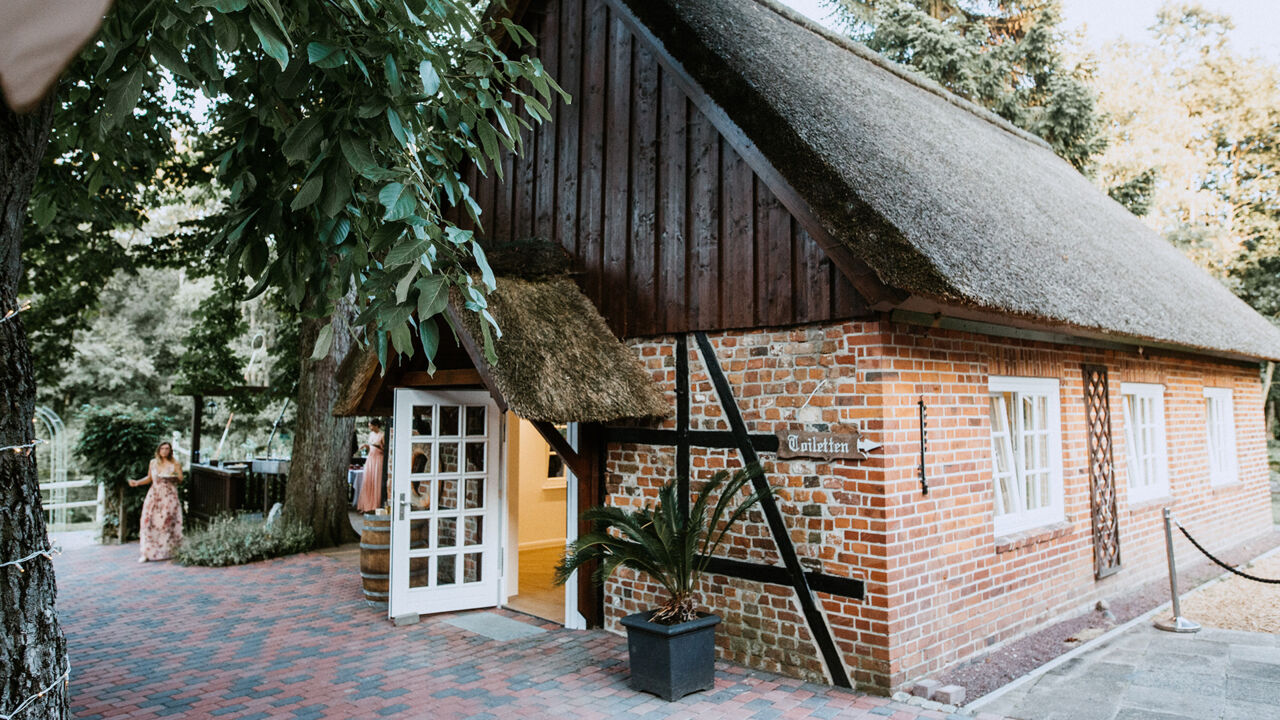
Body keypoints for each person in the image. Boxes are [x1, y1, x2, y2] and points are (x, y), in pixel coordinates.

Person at [128, 441, 183, 562]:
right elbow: (149, 478)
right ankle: (147, 552)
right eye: (162, 449)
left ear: (170, 450)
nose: (164, 451)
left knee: (166, 523)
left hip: (169, 496)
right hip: (154, 495)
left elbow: (180, 479)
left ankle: (168, 551)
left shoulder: (175, 464)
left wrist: (173, 477)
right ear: (158, 450)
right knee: (148, 521)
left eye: (167, 449)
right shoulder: (153, 463)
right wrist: (137, 482)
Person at [356, 419, 386, 512]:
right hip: (371, 458)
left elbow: (385, 448)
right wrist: (366, 446)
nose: (370, 428)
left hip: (378, 459)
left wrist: (377, 446)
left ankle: (374, 506)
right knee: (368, 480)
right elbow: (371, 446)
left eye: (371, 426)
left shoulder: (382, 434)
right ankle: (366, 505)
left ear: (376, 425)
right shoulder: (371, 434)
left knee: (376, 480)